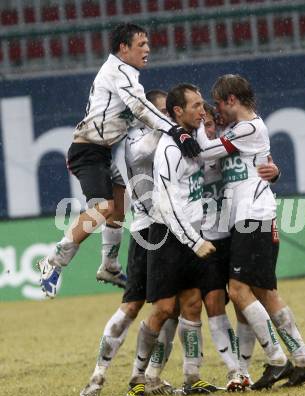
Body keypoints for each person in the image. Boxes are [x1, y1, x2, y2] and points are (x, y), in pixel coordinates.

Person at [37, 23, 201, 299]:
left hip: (100, 151)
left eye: (148, 44)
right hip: (86, 150)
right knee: (102, 207)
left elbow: (135, 111)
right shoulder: (120, 71)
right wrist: (175, 130)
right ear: (123, 48)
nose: (147, 49)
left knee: (119, 204)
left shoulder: (123, 73)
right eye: (141, 44)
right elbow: (139, 106)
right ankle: (52, 261)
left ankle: (110, 265)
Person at [200, 74, 305, 390]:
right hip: (251, 215)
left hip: (252, 216)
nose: (216, 111)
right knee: (266, 293)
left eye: (217, 104)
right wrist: (275, 172)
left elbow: (207, 152)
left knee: (238, 291)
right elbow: (258, 165)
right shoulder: (241, 131)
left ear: (231, 100)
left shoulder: (249, 127)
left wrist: (194, 130)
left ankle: (277, 360)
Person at [124, 83, 222, 396]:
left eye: (202, 104)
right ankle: (138, 376)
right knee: (164, 309)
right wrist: (193, 241)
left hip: (193, 234)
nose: (202, 110)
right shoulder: (168, 149)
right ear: (177, 112)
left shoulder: (191, 142)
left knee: (192, 304)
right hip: (167, 235)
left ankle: (192, 376)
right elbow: (166, 204)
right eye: (195, 105)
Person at [79, 90, 177, 396]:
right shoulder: (135, 140)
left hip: (170, 226)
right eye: (159, 111)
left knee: (172, 307)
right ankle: (99, 375)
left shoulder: (153, 137)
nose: (164, 117)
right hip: (151, 230)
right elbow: (142, 155)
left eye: (166, 111)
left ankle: (151, 375)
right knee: (137, 307)